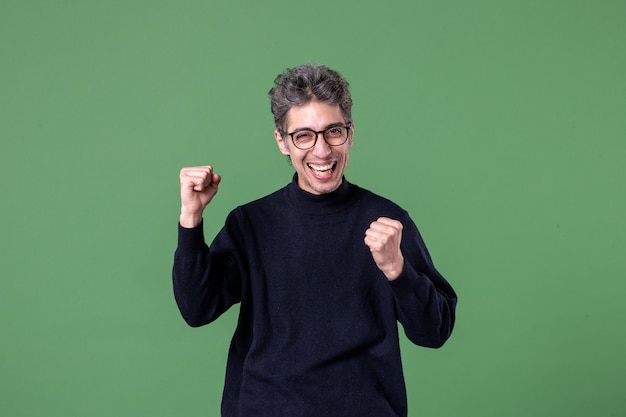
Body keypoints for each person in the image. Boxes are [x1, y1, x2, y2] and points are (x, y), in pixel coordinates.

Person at [173, 63, 457, 417]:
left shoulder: (388, 221)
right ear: (282, 142)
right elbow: (197, 310)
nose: (321, 151)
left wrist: (398, 270)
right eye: (304, 135)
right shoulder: (251, 223)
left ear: (350, 134)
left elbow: (435, 331)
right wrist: (191, 220)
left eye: (333, 132)